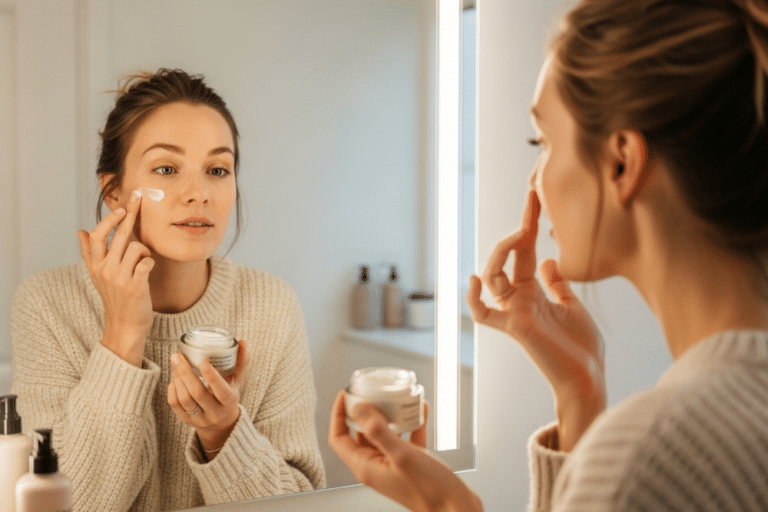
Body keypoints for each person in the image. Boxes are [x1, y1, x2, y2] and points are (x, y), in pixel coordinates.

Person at [329, 0, 768, 510]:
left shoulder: (648, 458)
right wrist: (580, 394)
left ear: (621, 162)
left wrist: (448, 506)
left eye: (543, 141)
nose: (535, 180)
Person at [11, 69, 325, 511]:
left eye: (218, 170)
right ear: (114, 191)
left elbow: (300, 503)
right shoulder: (48, 304)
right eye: (166, 169)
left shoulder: (272, 306)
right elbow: (68, 505)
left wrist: (223, 434)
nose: (199, 193)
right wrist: (122, 334)